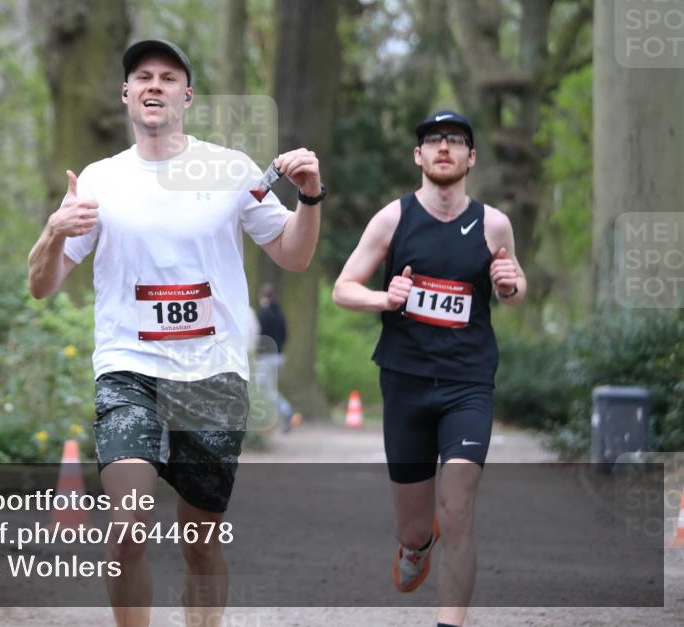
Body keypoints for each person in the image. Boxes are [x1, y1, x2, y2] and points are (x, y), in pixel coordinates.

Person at [27, 39, 325, 627]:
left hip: (213, 374)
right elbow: (42, 284)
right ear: (126, 94)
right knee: (127, 527)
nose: (154, 85)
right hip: (129, 370)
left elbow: (293, 255)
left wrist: (310, 196)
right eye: (143, 76)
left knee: (200, 542)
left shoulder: (231, 170)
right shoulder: (99, 179)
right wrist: (54, 230)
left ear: (187, 96)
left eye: (168, 77)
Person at [332, 110, 526, 627]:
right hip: (406, 382)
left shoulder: (493, 224)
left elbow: (514, 286)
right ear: (418, 155)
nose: (444, 147)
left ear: (471, 157)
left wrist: (509, 285)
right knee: (416, 528)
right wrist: (384, 298)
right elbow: (343, 288)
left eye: (456, 140)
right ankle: (416, 546)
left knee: (458, 510)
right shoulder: (392, 219)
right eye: (434, 140)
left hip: (468, 383)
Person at [254, 283, 296, 431]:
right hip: (279, 356)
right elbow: (285, 335)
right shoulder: (280, 314)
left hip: (266, 357)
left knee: (264, 388)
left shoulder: (264, 314)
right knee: (269, 387)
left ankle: (285, 411)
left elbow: (260, 335)